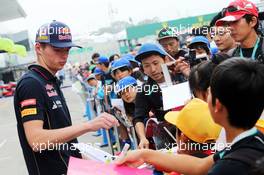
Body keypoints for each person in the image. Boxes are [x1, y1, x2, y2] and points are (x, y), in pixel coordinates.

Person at [116, 58, 264, 175]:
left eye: (210, 92)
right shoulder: (253, 139)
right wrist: (145, 154)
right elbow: (199, 165)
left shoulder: (228, 167)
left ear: (217, 105)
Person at [13, 20, 119, 175]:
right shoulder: (31, 84)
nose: (64, 56)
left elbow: (63, 139)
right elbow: (36, 141)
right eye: (57, 49)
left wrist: (96, 164)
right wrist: (88, 125)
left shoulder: (50, 80)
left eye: (67, 50)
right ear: (38, 48)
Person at [133, 43, 181, 150]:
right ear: (143, 69)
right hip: (170, 138)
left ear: (166, 60)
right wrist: (142, 138)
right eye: (147, 66)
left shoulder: (181, 77)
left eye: (156, 63)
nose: (153, 69)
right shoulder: (145, 90)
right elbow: (138, 117)